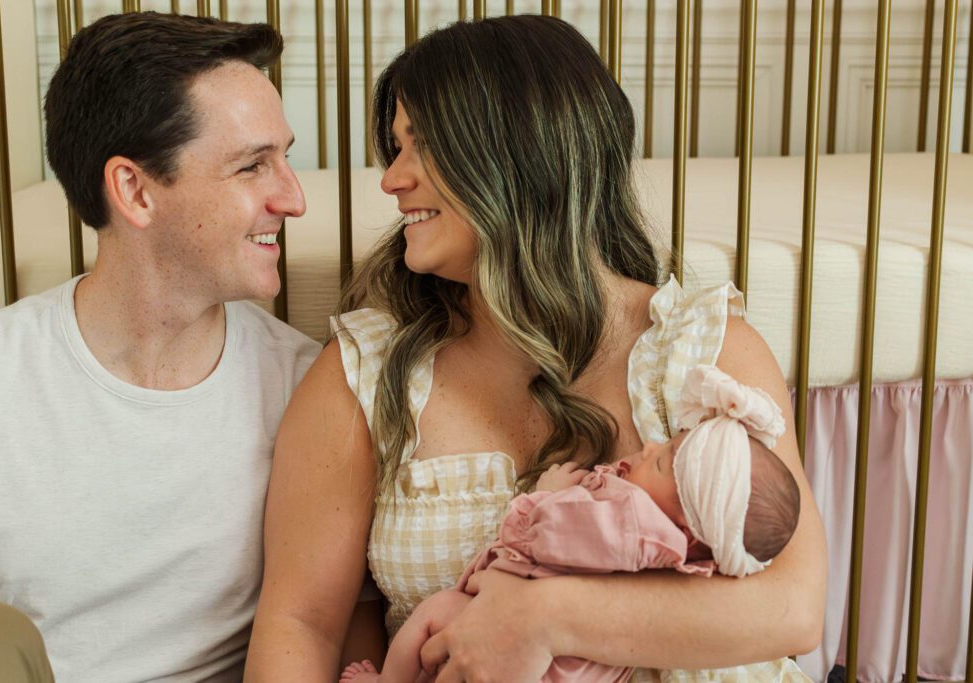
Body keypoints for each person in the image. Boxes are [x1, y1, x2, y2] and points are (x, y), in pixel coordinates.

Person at [245, 14, 827, 682]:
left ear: (520, 159)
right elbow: (301, 625)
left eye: (422, 146)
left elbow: (793, 605)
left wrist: (544, 616)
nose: (391, 180)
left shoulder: (698, 349)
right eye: (395, 149)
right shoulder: (365, 373)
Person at [0, 12, 320, 682]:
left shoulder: (308, 391)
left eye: (286, 157)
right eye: (254, 165)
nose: (294, 198)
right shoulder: (0, 377)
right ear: (135, 190)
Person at [338, 363, 803, 683]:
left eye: (660, 464)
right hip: (565, 664)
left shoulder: (635, 524)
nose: (646, 450)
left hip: (538, 655)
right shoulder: (668, 546)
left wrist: (545, 496)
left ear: (687, 524)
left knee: (437, 611)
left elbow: (559, 537)